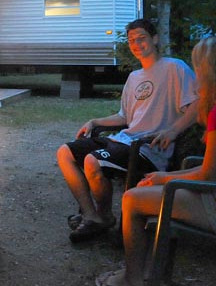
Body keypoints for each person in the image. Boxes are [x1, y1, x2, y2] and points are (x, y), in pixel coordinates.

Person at [95, 35, 216, 286]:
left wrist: (164, 178)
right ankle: (149, 272)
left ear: (213, 70)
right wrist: (165, 178)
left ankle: (132, 278)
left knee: (131, 199)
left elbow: (208, 176)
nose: (196, 74)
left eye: (199, 67)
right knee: (146, 189)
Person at [56, 18, 198, 243]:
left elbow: (196, 105)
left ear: (155, 39)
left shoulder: (175, 68)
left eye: (141, 38)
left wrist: (172, 131)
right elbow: (125, 117)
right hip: (124, 140)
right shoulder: (134, 77)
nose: (136, 44)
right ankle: (91, 214)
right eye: (132, 40)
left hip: (148, 147)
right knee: (65, 152)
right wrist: (94, 121)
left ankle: (103, 217)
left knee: (92, 162)